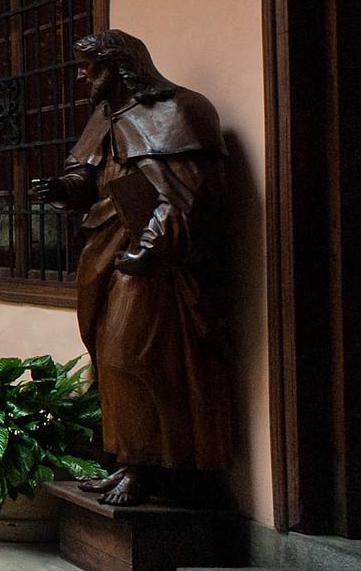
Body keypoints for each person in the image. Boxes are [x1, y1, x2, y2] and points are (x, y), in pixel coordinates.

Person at [29, 29, 232, 507]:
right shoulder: (105, 117)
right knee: (109, 356)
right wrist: (63, 189)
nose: (82, 77)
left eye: (88, 67)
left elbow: (188, 192)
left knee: (134, 355)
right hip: (107, 245)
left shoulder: (179, 111)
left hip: (155, 255)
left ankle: (161, 468)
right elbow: (92, 175)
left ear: (119, 66)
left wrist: (153, 245)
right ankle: (130, 461)